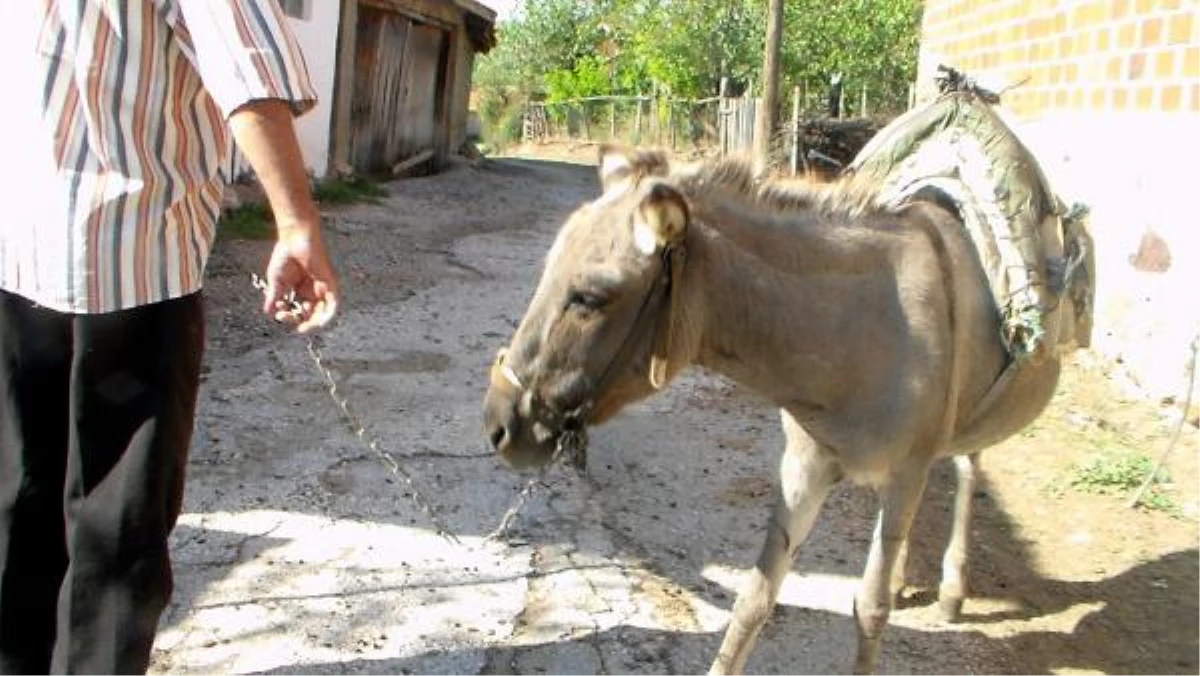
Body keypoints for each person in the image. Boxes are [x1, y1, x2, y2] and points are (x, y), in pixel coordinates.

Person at [0, 1, 340, 673]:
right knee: (117, 524)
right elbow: (247, 66)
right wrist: (297, 223)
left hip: (18, 243)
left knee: (20, 496)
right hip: (132, 257)